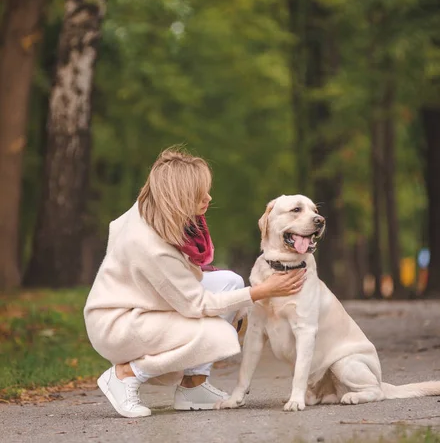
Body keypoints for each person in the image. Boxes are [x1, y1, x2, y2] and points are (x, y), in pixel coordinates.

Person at [84, 147, 306, 418]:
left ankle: (194, 386)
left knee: (230, 283)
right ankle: (125, 375)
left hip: (139, 304)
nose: (209, 197)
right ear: (177, 197)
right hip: (117, 324)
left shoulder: (150, 209)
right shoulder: (149, 246)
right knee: (215, 333)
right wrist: (261, 292)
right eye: (200, 193)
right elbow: (197, 305)